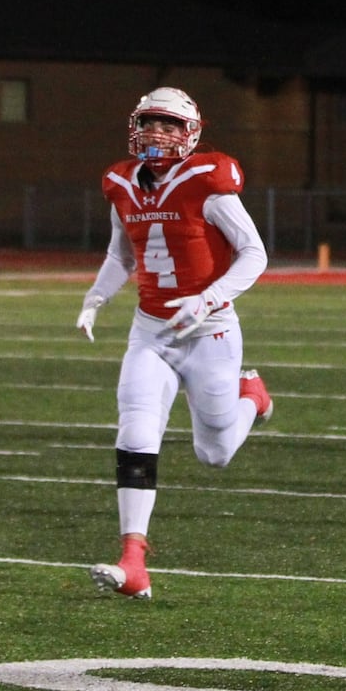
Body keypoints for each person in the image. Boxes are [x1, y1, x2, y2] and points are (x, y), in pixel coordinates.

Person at [75, 87, 273, 598]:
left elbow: (254, 254)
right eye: (149, 122)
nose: (156, 133)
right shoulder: (120, 183)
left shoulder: (209, 181)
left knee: (215, 454)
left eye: (168, 124)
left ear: (191, 134)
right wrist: (95, 299)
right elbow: (121, 255)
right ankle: (133, 560)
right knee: (136, 433)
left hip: (211, 332)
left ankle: (253, 397)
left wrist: (206, 300)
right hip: (151, 329)